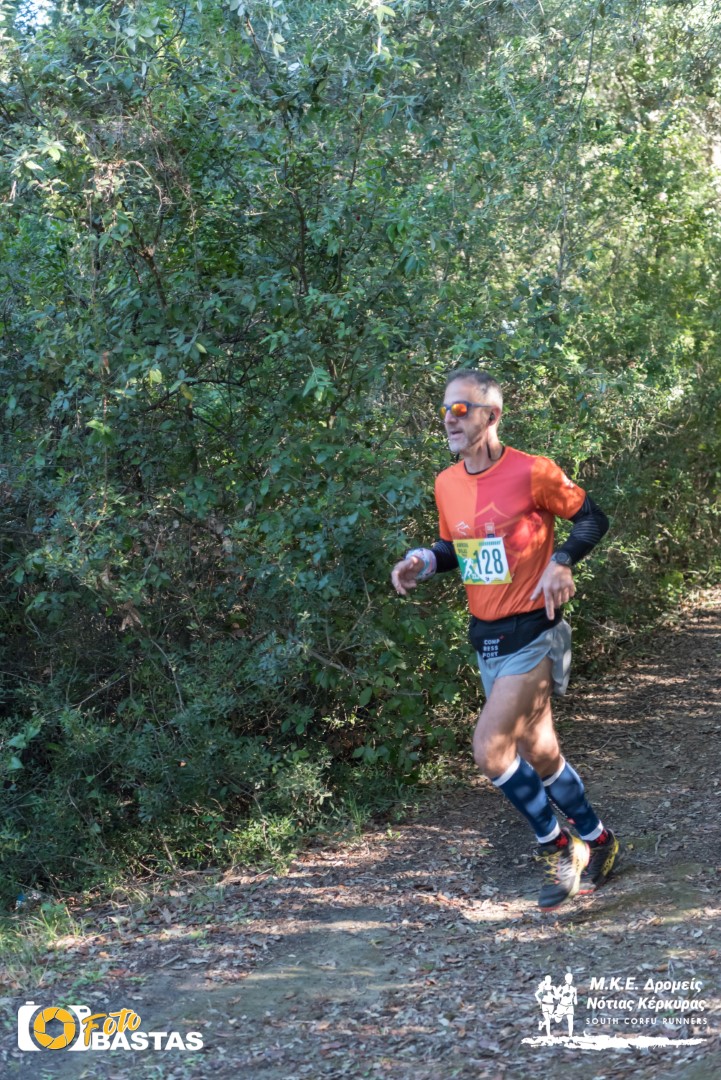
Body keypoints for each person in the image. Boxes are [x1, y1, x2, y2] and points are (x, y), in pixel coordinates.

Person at [390, 368, 618, 911]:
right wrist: (422, 560)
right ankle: (600, 840)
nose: (449, 419)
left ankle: (561, 847)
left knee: (490, 749)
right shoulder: (447, 483)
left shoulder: (533, 471)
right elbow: (456, 548)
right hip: (486, 636)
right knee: (541, 754)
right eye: (444, 410)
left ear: (491, 415)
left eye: (461, 409)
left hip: (535, 631)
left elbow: (592, 519)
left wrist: (562, 560)